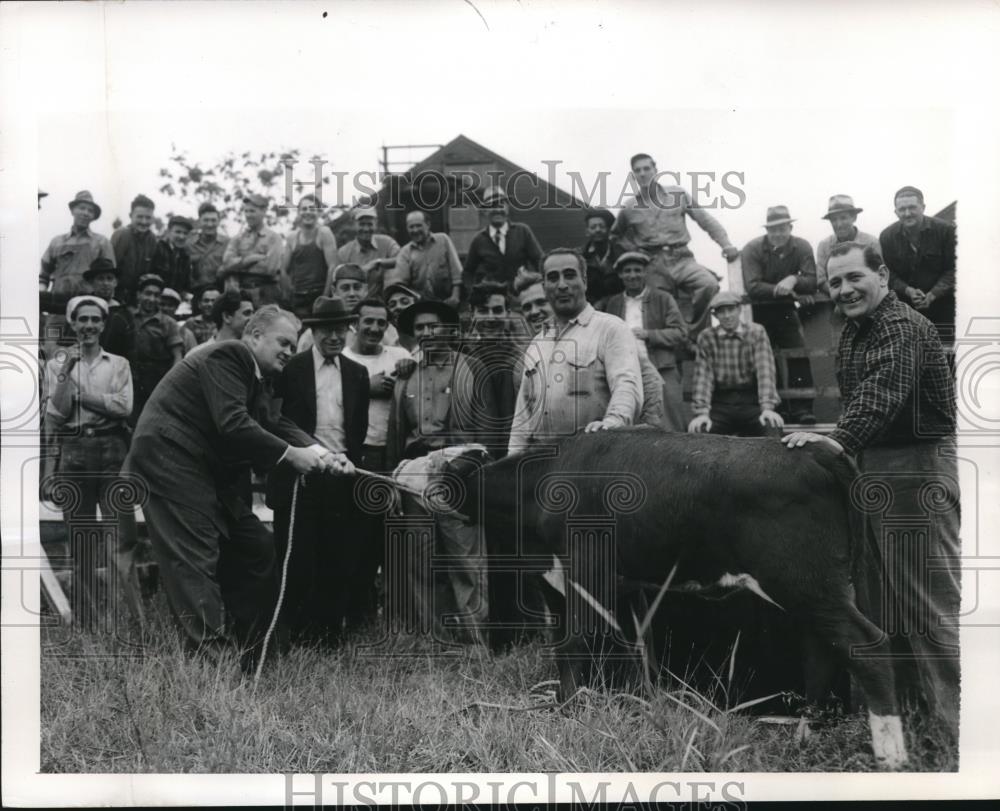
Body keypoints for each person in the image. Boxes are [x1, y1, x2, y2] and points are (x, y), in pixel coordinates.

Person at [782, 241, 959, 744]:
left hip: (916, 470)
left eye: (854, 277)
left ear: (881, 274)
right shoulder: (856, 330)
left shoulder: (901, 326)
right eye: (835, 282)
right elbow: (864, 401)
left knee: (930, 609)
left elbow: (880, 396)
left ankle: (962, 740)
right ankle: (897, 728)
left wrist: (835, 440)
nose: (844, 290)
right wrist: (844, 445)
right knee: (877, 607)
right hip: (872, 469)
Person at [122, 306, 351, 672]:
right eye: (283, 342)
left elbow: (273, 423)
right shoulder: (229, 355)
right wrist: (293, 455)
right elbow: (233, 423)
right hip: (171, 463)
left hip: (205, 471)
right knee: (194, 561)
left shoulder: (257, 377)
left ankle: (256, 656)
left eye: (294, 345)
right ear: (254, 335)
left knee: (255, 547)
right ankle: (216, 668)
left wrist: (325, 454)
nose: (289, 352)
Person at [387, 300, 498, 645]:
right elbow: (396, 434)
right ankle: (433, 640)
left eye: (432, 326)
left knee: (466, 559)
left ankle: (476, 641)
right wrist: (394, 480)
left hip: (458, 470)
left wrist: (478, 472)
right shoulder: (406, 375)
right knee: (420, 559)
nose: (425, 334)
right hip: (415, 474)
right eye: (419, 328)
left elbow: (487, 429)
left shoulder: (472, 368)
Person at [266, 297, 372, 646]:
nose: (335, 336)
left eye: (341, 329)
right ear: (313, 331)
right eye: (327, 329)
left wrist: (347, 465)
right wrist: (309, 454)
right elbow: (277, 422)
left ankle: (329, 635)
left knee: (339, 555)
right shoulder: (290, 368)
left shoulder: (358, 374)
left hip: (341, 474)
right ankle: (294, 633)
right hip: (302, 473)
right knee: (298, 556)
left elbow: (356, 431)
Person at [44, 295, 144, 630]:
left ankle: (131, 621)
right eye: (82, 319)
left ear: (103, 324)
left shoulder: (118, 364)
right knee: (81, 538)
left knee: (121, 537)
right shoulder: (58, 365)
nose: (88, 325)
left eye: (95, 319)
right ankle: (89, 622)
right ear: (72, 323)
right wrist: (67, 374)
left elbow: (123, 407)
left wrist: (81, 397)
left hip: (112, 450)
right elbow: (56, 414)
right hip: (74, 452)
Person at [508, 248, 643, 456]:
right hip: (543, 464)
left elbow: (627, 385)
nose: (562, 285)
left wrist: (611, 424)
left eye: (570, 275)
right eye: (553, 278)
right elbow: (523, 414)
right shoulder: (536, 344)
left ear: (585, 281)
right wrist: (513, 460)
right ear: (545, 287)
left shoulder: (611, 329)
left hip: (593, 458)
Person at [612, 154, 737, 336]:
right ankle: (670, 341)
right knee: (655, 302)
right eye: (638, 171)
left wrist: (726, 245)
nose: (643, 173)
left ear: (656, 170)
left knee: (708, 285)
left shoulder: (677, 195)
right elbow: (615, 236)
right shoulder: (629, 207)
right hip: (653, 265)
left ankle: (694, 334)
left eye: (647, 168)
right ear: (634, 176)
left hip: (682, 259)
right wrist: (635, 252)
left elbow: (705, 220)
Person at [741, 205, 818, 425]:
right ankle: (778, 409)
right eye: (773, 229)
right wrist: (788, 290)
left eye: (782, 229)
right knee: (767, 360)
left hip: (786, 312)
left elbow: (812, 281)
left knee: (798, 354)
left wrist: (793, 279)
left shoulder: (802, 246)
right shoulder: (752, 248)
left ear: (790, 227)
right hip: (759, 313)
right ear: (767, 230)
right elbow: (753, 286)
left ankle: (803, 408)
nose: (777, 234)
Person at [601, 251, 688, 431]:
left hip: (661, 368)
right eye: (627, 271)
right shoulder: (614, 303)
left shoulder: (662, 298)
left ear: (645, 272)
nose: (633, 275)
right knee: (630, 424)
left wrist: (649, 334)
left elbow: (680, 333)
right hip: (626, 370)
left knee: (672, 423)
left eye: (637, 270)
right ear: (620, 275)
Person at [688, 290, 783, 437]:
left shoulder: (756, 332)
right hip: (720, 404)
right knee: (701, 431)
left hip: (751, 402)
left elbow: (765, 372)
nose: (727, 316)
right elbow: (703, 377)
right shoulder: (707, 337)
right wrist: (702, 413)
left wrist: (767, 408)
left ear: (739, 309)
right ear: (715, 315)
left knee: (771, 426)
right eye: (721, 312)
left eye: (731, 309)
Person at [39, 191, 116, 356]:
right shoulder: (57, 241)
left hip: (86, 311)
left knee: (84, 356)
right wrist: (42, 294)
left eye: (90, 210)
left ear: (94, 216)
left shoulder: (101, 242)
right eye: (82, 208)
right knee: (52, 354)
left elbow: (110, 277)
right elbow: (44, 272)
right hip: (57, 309)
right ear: (73, 210)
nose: (85, 213)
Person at [342, 298, 413, 474]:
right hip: (356, 447)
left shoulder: (400, 355)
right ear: (355, 324)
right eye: (368, 321)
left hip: (393, 447)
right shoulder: (343, 358)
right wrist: (365, 388)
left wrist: (411, 371)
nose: (375, 329)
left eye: (381, 323)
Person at [879, 185, 956, 341]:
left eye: (912, 207)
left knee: (947, 356)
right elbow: (888, 273)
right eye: (902, 209)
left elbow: (954, 269)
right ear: (896, 212)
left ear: (923, 207)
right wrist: (908, 291)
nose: (907, 213)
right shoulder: (887, 236)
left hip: (944, 307)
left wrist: (933, 294)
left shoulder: (946, 231)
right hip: (906, 309)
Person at [464, 281, 532, 456]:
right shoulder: (463, 358)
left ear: (508, 314)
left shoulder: (522, 359)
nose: (491, 318)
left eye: (497, 310)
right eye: (483, 311)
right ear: (472, 314)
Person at [462, 186, 543, 291]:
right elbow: (468, 272)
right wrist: (474, 293)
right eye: (492, 206)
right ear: (485, 211)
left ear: (507, 208)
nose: (497, 210)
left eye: (501, 205)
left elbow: (540, 262)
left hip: (521, 298)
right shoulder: (479, 240)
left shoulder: (522, 231)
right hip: (494, 301)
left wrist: (538, 286)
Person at [131, 273, 184, 424]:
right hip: (131, 380)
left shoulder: (168, 323)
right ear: (138, 295)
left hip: (156, 381)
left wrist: (170, 383)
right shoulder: (128, 317)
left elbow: (177, 356)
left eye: (156, 295)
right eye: (147, 293)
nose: (152, 299)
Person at [388, 210, 463, 308]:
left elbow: (457, 273)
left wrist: (455, 296)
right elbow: (400, 284)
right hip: (420, 305)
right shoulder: (405, 252)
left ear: (428, 224)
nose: (415, 230)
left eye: (419, 225)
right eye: (411, 227)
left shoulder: (443, 240)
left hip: (448, 301)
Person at [220, 193, 285, 307]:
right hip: (242, 294)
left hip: (266, 293)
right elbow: (226, 263)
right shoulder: (238, 238)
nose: (248, 215)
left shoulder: (274, 238)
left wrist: (237, 266)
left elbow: (270, 268)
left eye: (252, 211)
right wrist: (250, 259)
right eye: (246, 211)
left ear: (264, 211)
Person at [283, 194, 338, 319]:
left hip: (318, 293)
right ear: (298, 212)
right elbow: (283, 269)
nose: (308, 212)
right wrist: (289, 294)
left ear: (318, 213)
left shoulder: (324, 233)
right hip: (298, 297)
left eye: (312, 209)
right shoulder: (292, 237)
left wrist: (325, 297)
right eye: (304, 209)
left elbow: (332, 267)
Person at [815, 194, 881, 297]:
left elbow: (878, 275)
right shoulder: (824, 245)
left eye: (843, 218)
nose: (839, 224)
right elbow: (821, 280)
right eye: (834, 220)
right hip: (837, 298)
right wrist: (841, 295)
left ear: (854, 217)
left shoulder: (870, 242)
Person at [334, 207, 400, 300]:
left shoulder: (386, 242)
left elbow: (403, 260)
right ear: (354, 224)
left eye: (370, 224)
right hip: (355, 303)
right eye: (361, 224)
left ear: (376, 224)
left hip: (382, 303)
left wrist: (378, 262)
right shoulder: (344, 252)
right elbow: (339, 283)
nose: (366, 229)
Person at [82, 257, 135, 360]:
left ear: (115, 282)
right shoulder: (81, 309)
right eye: (100, 278)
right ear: (92, 282)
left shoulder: (124, 314)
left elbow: (131, 351)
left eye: (109, 278)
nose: (105, 283)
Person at [110, 194, 157, 305]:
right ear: (131, 216)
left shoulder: (152, 239)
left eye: (148, 217)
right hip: (117, 296)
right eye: (140, 217)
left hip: (139, 298)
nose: (144, 222)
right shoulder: (122, 234)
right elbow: (111, 268)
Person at [186, 289, 255, 356]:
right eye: (247, 313)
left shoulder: (253, 353)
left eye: (253, 314)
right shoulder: (197, 356)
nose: (252, 318)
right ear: (227, 317)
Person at [580, 207, 625, 305]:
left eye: (601, 226)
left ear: (609, 229)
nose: (598, 230)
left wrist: (605, 302)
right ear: (587, 231)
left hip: (618, 305)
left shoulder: (621, 254)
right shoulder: (580, 257)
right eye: (593, 227)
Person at [187, 202, 230, 292]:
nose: (210, 224)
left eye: (213, 220)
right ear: (199, 221)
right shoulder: (189, 244)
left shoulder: (228, 243)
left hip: (220, 293)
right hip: (194, 292)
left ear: (218, 221)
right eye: (206, 220)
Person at [151, 215, 194, 295]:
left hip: (174, 300)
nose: (182, 236)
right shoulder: (157, 249)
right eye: (178, 232)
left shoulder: (186, 256)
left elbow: (186, 284)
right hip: (156, 297)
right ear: (168, 231)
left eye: (185, 233)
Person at [181, 285, 220, 352]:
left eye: (214, 301)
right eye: (206, 301)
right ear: (199, 304)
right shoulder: (191, 323)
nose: (210, 304)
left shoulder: (225, 323)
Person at [384, 282, 420, 352]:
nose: (398, 307)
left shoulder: (434, 345)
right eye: (392, 305)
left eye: (405, 302)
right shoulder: (389, 351)